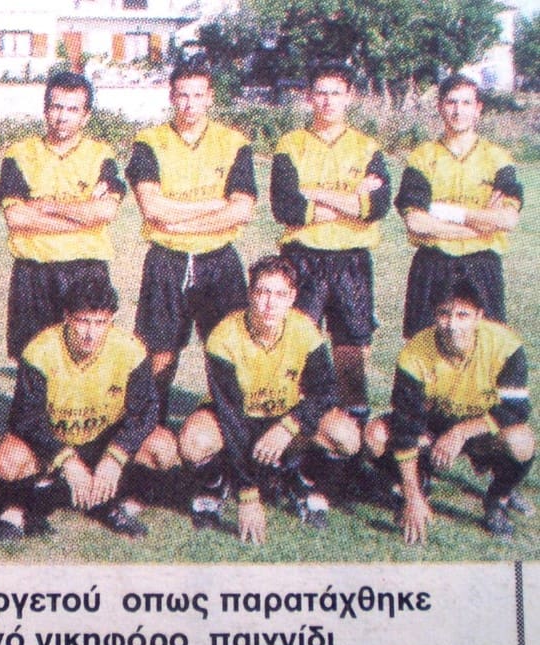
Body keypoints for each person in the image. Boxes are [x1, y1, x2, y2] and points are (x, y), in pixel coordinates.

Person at [179, 256, 360, 542]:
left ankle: (302, 482)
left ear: (292, 297)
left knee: (346, 436)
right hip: (237, 419)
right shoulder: (224, 337)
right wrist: (248, 495)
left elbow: (325, 391)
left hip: (284, 419)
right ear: (250, 294)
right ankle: (215, 485)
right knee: (193, 441)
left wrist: (289, 426)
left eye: (279, 294)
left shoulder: (305, 330)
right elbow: (231, 417)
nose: (269, 303)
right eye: (263, 292)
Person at [0, 277, 179, 542]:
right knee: (8, 457)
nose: (91, 333)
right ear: (67, 316)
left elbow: (146, 411)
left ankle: (119, 503)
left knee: (163, 446)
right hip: (55, 442)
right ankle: (17, 509)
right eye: (83, 321)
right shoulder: (40, 351)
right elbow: (26, 418)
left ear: (111, 319)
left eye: (100, 322)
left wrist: (115, 455)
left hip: (104, 441)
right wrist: (66, 459)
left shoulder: (131, 350)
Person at [125, 54, 257, 422]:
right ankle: (151, 427)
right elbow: (152, 208)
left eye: (198, 95)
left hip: (219, 259)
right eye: (182, 95)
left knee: (226, 347)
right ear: (171, 96)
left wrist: (180, 222)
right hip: (167, 259)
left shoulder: (234, 143)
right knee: (159, 351)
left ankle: (229, 430)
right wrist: (213, 206)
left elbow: (242, 210)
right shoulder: (149, 142)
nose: (190, 104)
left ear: (210, 97)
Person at [365, 280, 534, 543]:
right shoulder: (415, 354)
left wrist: (461, 432)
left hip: (479, 429)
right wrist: (412, 496)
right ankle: (416, 483)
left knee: (521, 441)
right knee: (375, 436)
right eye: (444, 314)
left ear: (479, 316)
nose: (452, 324)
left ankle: (498, 498)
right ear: (434, 315)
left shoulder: (505, 345)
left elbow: (516, 409)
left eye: (462, 315)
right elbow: (405, 426)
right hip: (432, 428)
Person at [270, 60, 390, 423]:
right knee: (296, 347)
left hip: (350, 258)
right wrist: (352, 200)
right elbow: (286, 206)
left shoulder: (367, 147)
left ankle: (354, 431)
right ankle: (296, 431)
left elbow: (377, 207)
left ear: (349, 97)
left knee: (352, 349)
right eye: (321, 93)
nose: (328, 101)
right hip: (302, 257)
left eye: (336, 93)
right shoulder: (290, 145)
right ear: (309, 97)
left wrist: (314, 193)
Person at [0, 71, 126, 359]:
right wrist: (82, 217)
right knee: (31, 359)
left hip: (86, 268)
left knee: (87, 357)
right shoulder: (19, 154)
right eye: (56, 107)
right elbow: (17, 219)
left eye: (72, 109)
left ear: (86, 116)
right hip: (34, 270)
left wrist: (48, 207)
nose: (62, 117)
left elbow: (105, 212)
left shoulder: (101, 155)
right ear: (45, 110)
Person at [395, 73, 523, 339]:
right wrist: (482, 224)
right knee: (423, 347)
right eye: (451, 102)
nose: (458, 110)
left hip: (481, 265)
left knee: (487, 347)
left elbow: (508, 220)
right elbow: (416, 222)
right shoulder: (422, 158)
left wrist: (444, 212)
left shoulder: (498, 159)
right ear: (440, 106)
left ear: (478, 108)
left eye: (466, 103)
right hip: (433, 263)